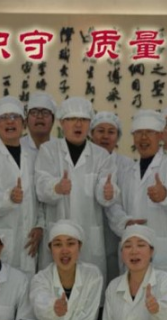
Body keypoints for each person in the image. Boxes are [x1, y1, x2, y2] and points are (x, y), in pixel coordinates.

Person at [105, 109, 167, 280]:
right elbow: (114, 205)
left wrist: (166, 195)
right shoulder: (126, 171)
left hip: (162, 253)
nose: (143, 138)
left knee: (162, 293)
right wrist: (124, 222)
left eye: (149, 132)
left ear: (160, 136)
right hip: (131, 251)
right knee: (131, 293)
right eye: (139, 133)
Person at [35, 97, 116, 279]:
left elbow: (106, 188)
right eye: (72, 119)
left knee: (90, 283)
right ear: (62, 123)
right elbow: (41, 185)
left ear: (89, 124)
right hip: (58, 230)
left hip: (89, 234)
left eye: (84, 120)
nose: (78, 124)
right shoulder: (48, 150)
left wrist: (108, 193)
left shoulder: (101, 155)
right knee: (54, 285)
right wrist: (56, 187)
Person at [0, 96, 43, 275]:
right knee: (0, 284)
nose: (10, 122)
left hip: (29, 241)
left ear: (23, 124)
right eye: (3, 118)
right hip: (0, 238)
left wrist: (40, 225)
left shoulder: (34, 156)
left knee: (27, 288)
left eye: (14, 117)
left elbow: (40, 198)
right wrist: (9, 197)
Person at [90, 111, 134, 285]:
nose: (105, 136)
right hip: (91, 228)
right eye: (100, 131)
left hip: (119, 231)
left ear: (118, 137)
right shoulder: (85, 162)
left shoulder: (128, 165)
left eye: (111, 132)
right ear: (91, 134)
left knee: (118, 278)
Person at [22, 92, 57, 272]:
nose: (40, 117)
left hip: (54, 223)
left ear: (53, 119)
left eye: (45, 113)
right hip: (24, 227)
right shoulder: (17, 148)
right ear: (26, 120)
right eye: (34, 112)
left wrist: (42, 224)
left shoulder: (60, 150)